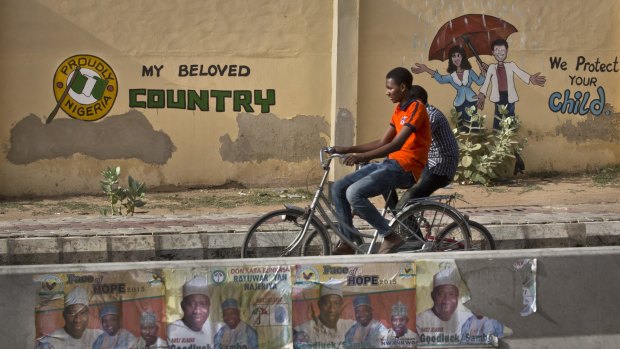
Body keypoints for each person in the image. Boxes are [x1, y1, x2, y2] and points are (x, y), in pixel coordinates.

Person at [330, 67, 431, 255]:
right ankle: (348, 241)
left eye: (390, 88)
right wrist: (347, 148)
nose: (387, 92)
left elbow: (397, 144)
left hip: (405, 168)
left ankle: (390, 236)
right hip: (389, 164)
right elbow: (382, 141)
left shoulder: (416, 107)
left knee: (354, 193)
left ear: (402, 87)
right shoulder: (398, 110)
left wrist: (363, 157)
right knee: (338, 187)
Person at [394, 85, 459, 208]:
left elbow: (410, 142)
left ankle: (404, 224)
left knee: (403, 205)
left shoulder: (430, 116)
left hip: (439, 167)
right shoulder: (421, 114)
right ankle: (399, 223)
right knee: (387, 182)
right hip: (428, 164)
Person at [411, 45, 486, 131]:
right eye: (453, 56)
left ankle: (475, 141)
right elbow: (440, 79)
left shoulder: (469, 72)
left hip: (472, 101)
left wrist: (483, 72)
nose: (456, 58)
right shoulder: (451, 76)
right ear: (451, 59)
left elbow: (479, 81)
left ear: (462, 57)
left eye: (458, 55)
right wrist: (426, 69)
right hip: (459, 103)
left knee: (473, 123)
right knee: (461, 125)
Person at [477, 38, 546, 130]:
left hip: (509, 96)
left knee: (510, 116)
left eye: (502, 50)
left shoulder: (511, 65)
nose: (499, 53)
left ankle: (511, 134)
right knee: (498, 116)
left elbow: (520, 73)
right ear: (493, 52)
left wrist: (530, 78)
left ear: (507, 51)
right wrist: (482, 93)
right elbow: (486, 82)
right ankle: (497, 134)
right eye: (496, 50)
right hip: (498, 96)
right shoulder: (491, 68)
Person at [416, 267, 473, 345]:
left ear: (457, 296)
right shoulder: (418, 322)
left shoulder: (468, 319)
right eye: (440, 294)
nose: (446, 300)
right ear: (433, 296)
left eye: (451, 294)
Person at [36, 287, 103, 349]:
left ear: (88, 314)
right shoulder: (50, 342)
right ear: (64, 315)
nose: (77, 319)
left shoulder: (98, 336)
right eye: (72, 313)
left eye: (82, 313)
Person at [294, 282, 355, 348]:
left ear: (341, 305)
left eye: (336, 303)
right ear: (319, 304)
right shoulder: (305, 330)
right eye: (327, 303)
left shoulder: (350, 326)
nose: (332, 309)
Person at [167, 276, 221, 347]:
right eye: (191, 304)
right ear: (183, 306)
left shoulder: (217, 330)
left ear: (209, 306)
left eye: (203, 304)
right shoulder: (170, 332)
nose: (197, 311)